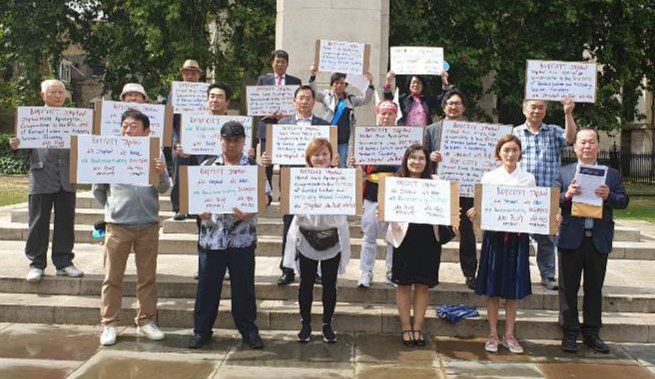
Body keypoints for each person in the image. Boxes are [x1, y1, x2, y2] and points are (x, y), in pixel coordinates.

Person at [188, 121, 270, 350]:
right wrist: (198, 210)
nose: (231, 145)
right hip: (211, 239)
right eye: (227, 140)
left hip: (242, 240)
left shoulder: (254, 169)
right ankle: (201, 331)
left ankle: (248, 330)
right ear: (220, 140)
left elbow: (266, 198)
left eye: (236, 141)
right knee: (206, 287)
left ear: (244, 142)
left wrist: (251, 212)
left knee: (244, 288)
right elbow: (193, 197)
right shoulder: (207, 166)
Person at [93, 109, 170, 346]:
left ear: (146, 131)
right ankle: (109, 324)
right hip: (118, 226)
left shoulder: (156, 154)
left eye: (134, 126)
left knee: (147, 277)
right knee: (112, 277)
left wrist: (159, 174)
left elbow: (165, 188)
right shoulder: (110, 152)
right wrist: (114, 209)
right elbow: (98, 188)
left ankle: (146, 320)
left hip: (147, 224)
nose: (128, 130)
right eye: (125, 125)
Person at [467, 135, 543, 354]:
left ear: (520, 153)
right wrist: (475, 213)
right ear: (498, 153)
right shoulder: (489, 177)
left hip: (517, 238)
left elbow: (533, 207)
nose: (510, 154)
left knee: (512, 288)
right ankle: (492, 333)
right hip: (495, 239)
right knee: (493, 288)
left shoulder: (528, 178)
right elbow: (480, 207)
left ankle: (510, 333)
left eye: (514, 150)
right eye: (506, 150)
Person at [555, 127, 628, 354]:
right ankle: (569, 332)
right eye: (582, 142)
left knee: (594, 288)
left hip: (598, 239)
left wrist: (609, 197)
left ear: (598, 145)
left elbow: (623, 200)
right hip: (571, 237)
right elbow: (552, 200)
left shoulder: (611, 174)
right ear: (575, 147)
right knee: (568, 288)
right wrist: (567, 195)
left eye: (591, 142)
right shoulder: (564, 172)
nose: (587, 146)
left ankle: (591, 333)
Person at [9, 79, 82, 283]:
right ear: (43, 95)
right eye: (53, 92)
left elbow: (85, 145)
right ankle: (36, 263)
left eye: (61, 92)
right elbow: (23, 150)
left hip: (67, 176)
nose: (58, 95)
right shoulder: (31, 118)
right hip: (42, 176)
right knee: (38, 221)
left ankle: (64, 262)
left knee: (66, 221)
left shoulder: (76, 118)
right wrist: (16, 144)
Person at [282, 138, 351, 343]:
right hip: (307, 234)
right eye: (316, 155)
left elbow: (351, 199)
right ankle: (305, 323)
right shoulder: (300, 178)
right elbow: (288, 202)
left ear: (332, 157)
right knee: (306, 283)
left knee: (330, 283)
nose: (321, 158)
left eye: (325, 154)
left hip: (332, 234)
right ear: (309, 159)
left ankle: (327, 324)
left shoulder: (340, 178)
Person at [513, 98, 577, 290]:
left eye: (541, 107)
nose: (537, 111)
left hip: (548, 194)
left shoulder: (553, 130)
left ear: (546, 110)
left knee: (547, 237)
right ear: (524, 110)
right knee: (518, 235)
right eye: (533, 107)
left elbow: (570, 139)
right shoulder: (514, 132)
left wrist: (568, 113)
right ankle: (517, 273)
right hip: (521, 194)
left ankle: (548, 275)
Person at [385, 144, 442, 347]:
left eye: (421, 158)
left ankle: (418, 328)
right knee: (403, 284)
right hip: (404, 237)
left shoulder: (436, 182)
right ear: (406, 160)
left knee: (422, 285)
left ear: (427, 162)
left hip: (429, 238)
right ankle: (405, 328)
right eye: (413, 158)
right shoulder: (395, 182)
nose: (417, 162)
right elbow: (386, 210)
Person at [274, 85, 331, 286]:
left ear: (314, 102)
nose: (304, 102)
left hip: (314, 182)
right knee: (289, 224)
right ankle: (287, 268)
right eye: (301, 98)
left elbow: (328, 156)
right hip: (291, 181)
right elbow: (275, 153)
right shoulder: (282, 124)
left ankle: (311, 269)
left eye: (308, 98)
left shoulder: (323, 125)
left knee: (314, 226)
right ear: (294, 101)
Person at [423, 89, 477, 290]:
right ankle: (431, 273)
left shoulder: (473, 130)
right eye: (449, 103)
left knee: (467, 230)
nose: (453, 106)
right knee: (435, 230)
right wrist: (430, 157)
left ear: (463, 107)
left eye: (457, 103)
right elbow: (421, 156)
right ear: (444, 107)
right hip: (439, 187)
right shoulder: (431, 129)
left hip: (465, 187)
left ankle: (470, 273)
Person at [171, 83, 241, 221]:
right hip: (202, 178)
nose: (215, 100)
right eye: (212, 96)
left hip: (227, 181)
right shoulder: (194, 124)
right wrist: (183, 150)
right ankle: (182, 207)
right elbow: (187, 152)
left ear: (227, 102)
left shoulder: (237, 125)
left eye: (220, 97)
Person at [349, 100, 399, 287]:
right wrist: (356, 163)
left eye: (390, 114)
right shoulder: (367, 137)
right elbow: (360, 168)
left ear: (396, 116)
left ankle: (391, 270)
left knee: (393, 234)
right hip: (372, 189)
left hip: (395, 189)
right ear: (377, 115)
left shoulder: (404, 137)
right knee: (369, 234)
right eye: (383, 113)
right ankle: (366, 271)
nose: (386, 117)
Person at [309, 65, 374, 167]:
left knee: (342, 166)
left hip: (343, 140)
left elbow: (366, 99)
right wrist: (312, 76)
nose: (339, 85)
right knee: (325, 165)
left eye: (342, 83)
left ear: (345, 85)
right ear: (332, 84)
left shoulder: (350, 99)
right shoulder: (326, 96)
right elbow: (314, 93)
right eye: (336, 83)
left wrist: (370, 83)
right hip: (327, 138)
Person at [256, 50, 302, 186]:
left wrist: (288, 114)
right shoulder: (263, 80)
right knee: (267, 163)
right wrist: (266, 112)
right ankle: (267, 194)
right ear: (272, 63)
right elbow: (256, 103)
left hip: (287, 128)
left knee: (286, 163)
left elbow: (298, 105)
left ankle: (285, 195)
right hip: (267, 126)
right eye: (277, 62)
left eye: (283, 62)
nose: (280, 65)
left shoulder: (295, 82)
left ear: (287, 64)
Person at [383, 71, 452, 126]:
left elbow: (443, 98)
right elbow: (389, 99)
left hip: (424, 134)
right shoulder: (403, 99)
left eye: (418, 83)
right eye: (413, 83)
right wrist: (388, 82)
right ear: (409, 85)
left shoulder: (428, 99)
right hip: (406, 134)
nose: (415, 85)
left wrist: (445, 83)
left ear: (423, 86)